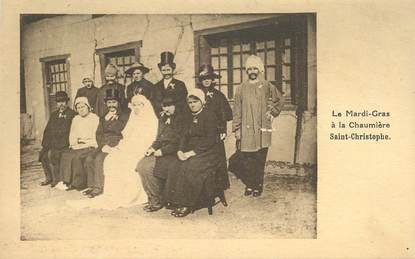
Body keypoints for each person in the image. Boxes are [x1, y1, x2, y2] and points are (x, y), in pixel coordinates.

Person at [67, 95, 158, 210]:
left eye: (139, 105)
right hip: (127, 148)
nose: (136, 108)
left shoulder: (150, 119)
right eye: (134, 105)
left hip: (142, 150)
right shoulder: (131, 118)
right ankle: (112, 193)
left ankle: (128, 194)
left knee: (126, 163)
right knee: (112, 159)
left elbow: (151, 139)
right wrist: (118, 147)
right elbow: (126, 137)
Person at [232, 54, 284, 197]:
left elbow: (279, 99)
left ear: (260, 70)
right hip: (246, 129)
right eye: (250, 69)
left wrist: (272, 112)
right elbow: (236, 109)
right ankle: (250, 184)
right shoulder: (241, 88)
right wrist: (237, 129)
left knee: (260, 159)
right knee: (248, 159)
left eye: (255, 69)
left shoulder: (267, 85)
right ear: (246, 71)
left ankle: (258, 184)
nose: (252, 71)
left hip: (262, 128)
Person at [164, 88, 221, 217]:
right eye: (190, 102)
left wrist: (192, 153)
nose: (192, 105)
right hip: (191, 150)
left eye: (195, 102)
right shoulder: (188, 116)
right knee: (175, 164)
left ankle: (186, 204)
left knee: (190, 167)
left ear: (202, 102)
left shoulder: (210, 116)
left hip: (208, 152)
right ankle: (174, 200)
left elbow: (210, 140)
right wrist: (180, 150)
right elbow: (183, 136)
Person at [136, 95, 185, 212]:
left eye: (170, 106)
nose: (167, 109)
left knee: (148, 167)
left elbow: (179, 142)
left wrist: (162, 151)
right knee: (141, 165)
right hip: (162, 151)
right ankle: (153, 197)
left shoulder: (182, 120)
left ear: (176, 106)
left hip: (175, 153)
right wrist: (152, 148)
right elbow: (159, 138)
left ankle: (157, 200)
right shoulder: (163, 119)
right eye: (164, 106)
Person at [196, 64, 233, 203]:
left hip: (215, 133)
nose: (206, 81)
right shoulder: (196, 94)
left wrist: (223, 129)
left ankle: (218, 189)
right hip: (200, 133)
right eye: (204, 78)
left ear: (213, 80)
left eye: (209, 78)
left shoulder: (218, 95)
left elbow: (225, 114)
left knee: (216, 160)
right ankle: (201, 190)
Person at [83, 88, 129, 198]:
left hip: (117, 144)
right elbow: (98, 133)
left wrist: (115, 120)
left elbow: (125, 132)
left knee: (99, 159)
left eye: (114, 102)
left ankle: (99, 188)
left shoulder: (124, 115)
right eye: (109, 102)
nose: (111, 105)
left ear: (118, 102)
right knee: (89, 159)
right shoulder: (104, 116)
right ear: (105, 103)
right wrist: (103, 145)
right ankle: (92, 185)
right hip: (104, 144)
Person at [55, 97, 99, 191]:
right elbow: (73, 133)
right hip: (78, 144)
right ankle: (66, 181)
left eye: (83, 107)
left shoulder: (94, 118)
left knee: (77, 157)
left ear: (88, 107)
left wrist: (87, 142)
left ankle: (78, 183)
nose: (81, 109)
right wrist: (74, 143)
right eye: (78, 108)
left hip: (90, 144)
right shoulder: (76, 119)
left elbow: (96, 135)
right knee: (66, 155)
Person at [38, 91, 76, 187]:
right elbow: (47, 131)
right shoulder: (54, 114)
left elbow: (72, 132)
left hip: (65, 143)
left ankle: (57, 179)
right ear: (56, 103)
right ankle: (49, 178)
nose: (61, 104)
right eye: (59, 102)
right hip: (54, 143)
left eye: (63, 101)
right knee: (43, 154)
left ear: (67, 102)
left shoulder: (72, 114)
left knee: (53, 155)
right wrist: (45, 145)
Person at [153, 51, 188, 117]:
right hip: (161, 117)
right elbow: (154, 102)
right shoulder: (156, 86)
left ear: (172, 69)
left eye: (168, 70)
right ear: (160, 70)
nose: (166, 73)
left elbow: (184, 101)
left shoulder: (180, 84)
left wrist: (174, 108)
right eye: (164, 70)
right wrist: (161, 108)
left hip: (176, 117)